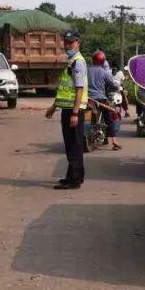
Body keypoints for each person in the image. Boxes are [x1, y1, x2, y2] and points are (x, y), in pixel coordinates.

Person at [45, 31, 88, 189]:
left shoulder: (78, 62)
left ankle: (74, 180)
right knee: (72, 144)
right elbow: (65, 90)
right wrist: (54, 106)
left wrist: (75, 113)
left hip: (73, 111)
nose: (67, 45)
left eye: (71, 42)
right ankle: (74, 176)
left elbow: (78, 89)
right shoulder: (71, 61)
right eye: (66, 42)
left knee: (73, 145)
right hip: (68, 108)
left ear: (78, 42)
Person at [88, 51, 122, 150]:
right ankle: (114, 142)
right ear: (103, 61)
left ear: (93, 59)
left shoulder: (86, 70)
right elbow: (113, 85)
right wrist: (117, 87)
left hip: (87, 99)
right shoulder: (104, 72)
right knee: (109, 118)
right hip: (100, 99)